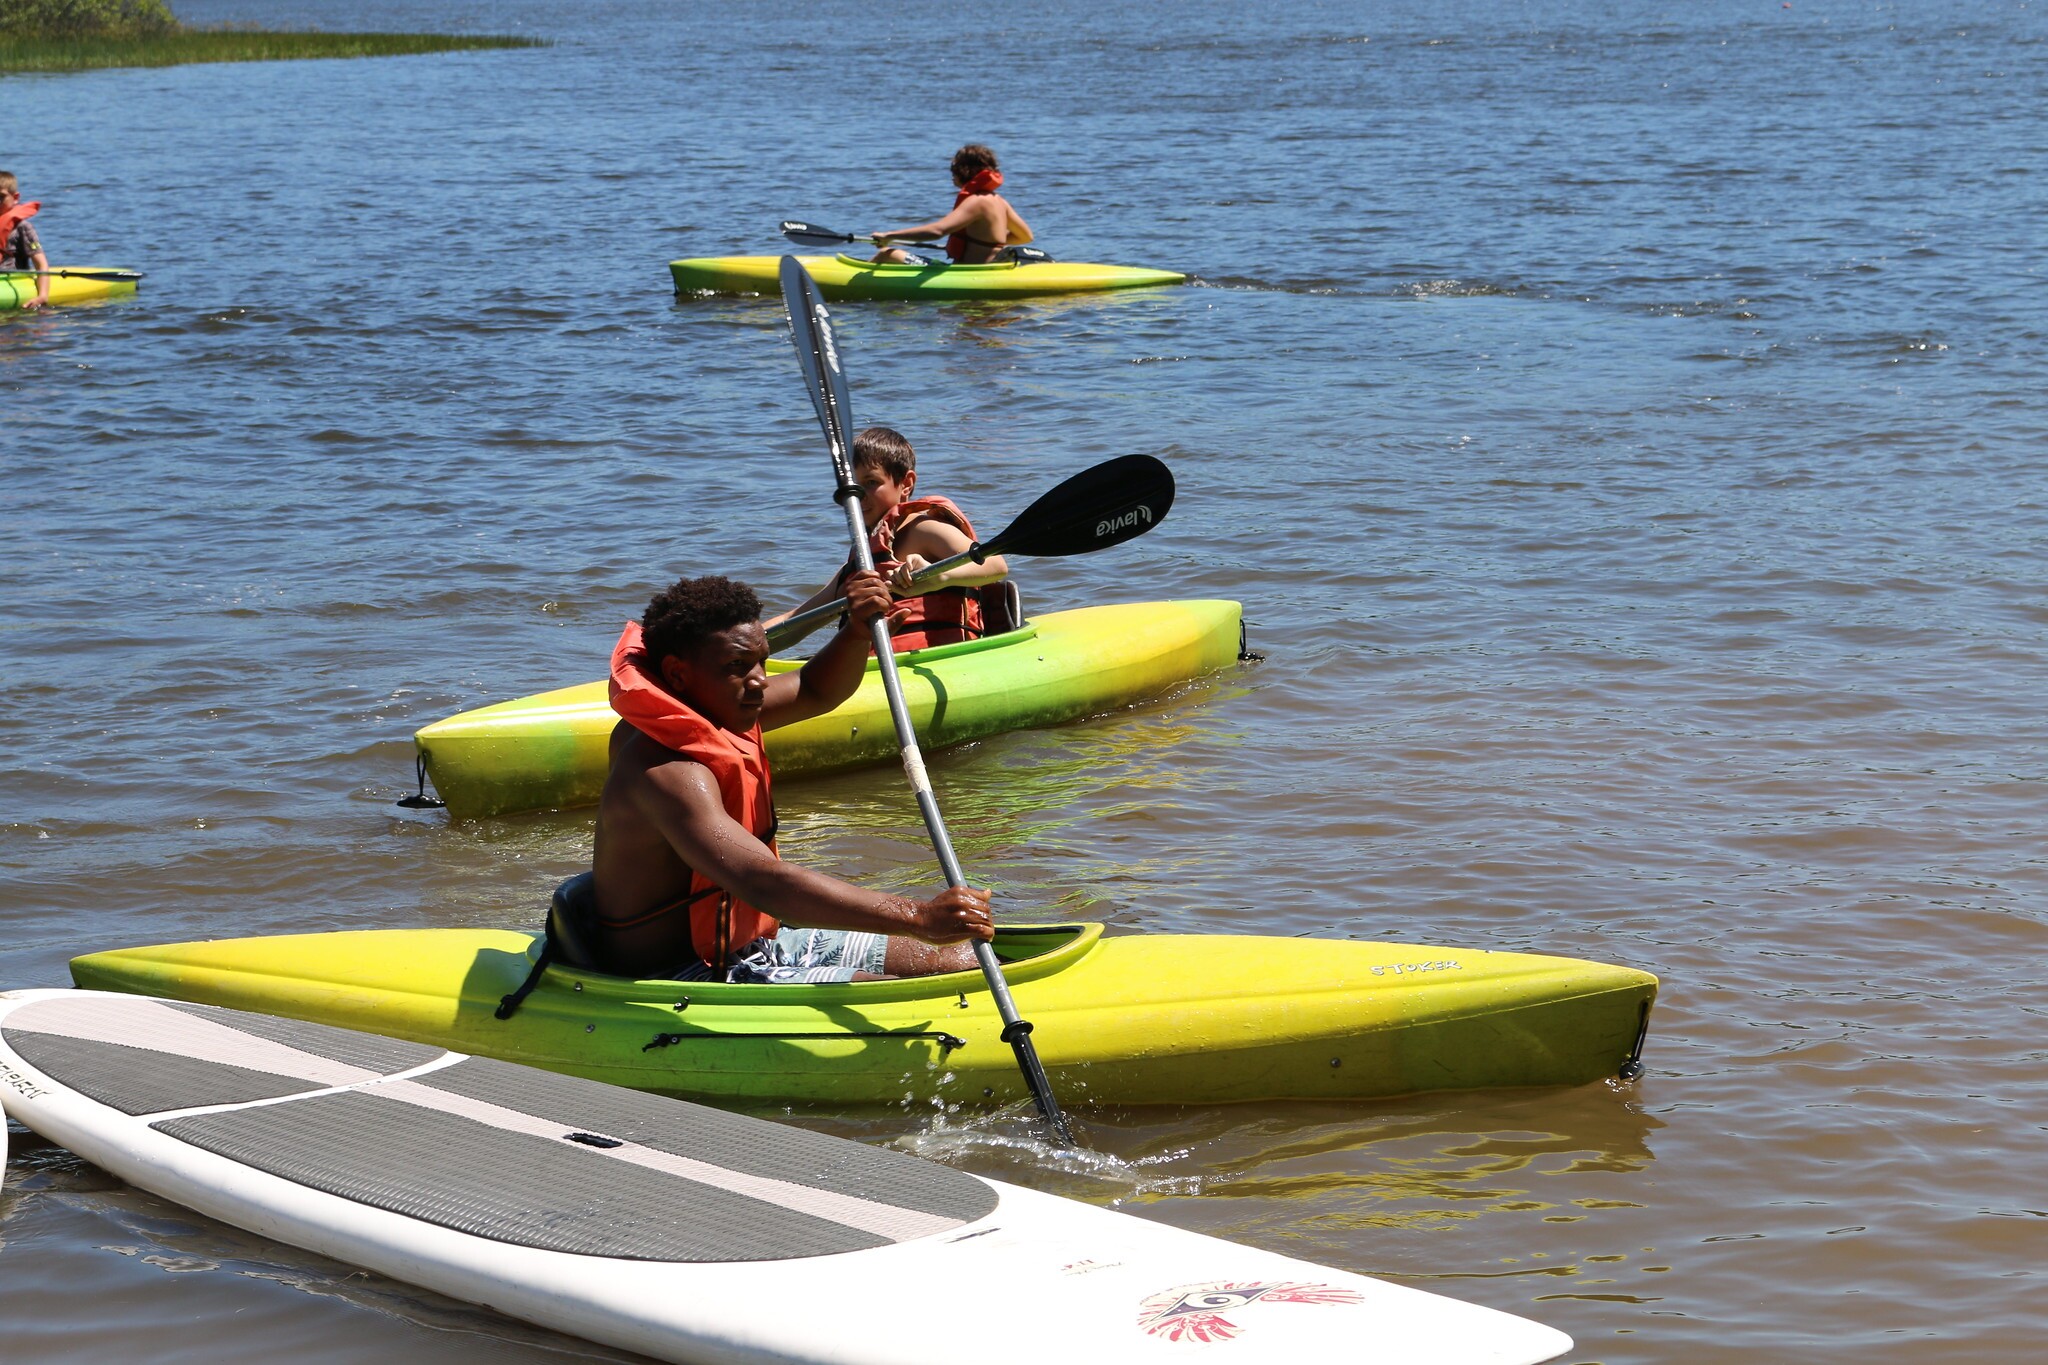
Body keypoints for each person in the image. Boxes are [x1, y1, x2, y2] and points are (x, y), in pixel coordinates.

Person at [583, 570, 994, 982]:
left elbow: (816, 689)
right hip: (682, 973)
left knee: (963, 962)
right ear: (676, 674)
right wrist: (918, 917)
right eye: (738, 665)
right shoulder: (666, 771)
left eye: (761, 660)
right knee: (896, 996)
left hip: (753, 945)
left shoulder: (720, 709)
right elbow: (762, 883)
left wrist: (854, 633)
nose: (760, 679)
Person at [768, 426, 1009, 653]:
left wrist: (939, 576)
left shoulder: (922, 529)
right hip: (874, 666)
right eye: (851, 487)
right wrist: (743, 643)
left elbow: (996, 565)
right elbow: (797, 621)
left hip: (933, 661)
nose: (858, 497)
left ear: (906, 484)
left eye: (871, 483)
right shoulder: (861, 560)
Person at [871, 143, 1032, 265]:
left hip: (969, 272)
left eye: (954, 169)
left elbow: (937, 231)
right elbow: (1025, 236)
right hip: (992, 267)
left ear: (964, 170)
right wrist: (985, 243)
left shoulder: (976, 202)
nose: (952, 175)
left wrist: (889, 236)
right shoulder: (998, 200)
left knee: (887, 253)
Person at [0, 172, 51, 311]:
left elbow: (41, 264)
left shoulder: (22, 228)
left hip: (13, 280)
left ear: (15, 198)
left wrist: (42, 296)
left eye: (1, 197)